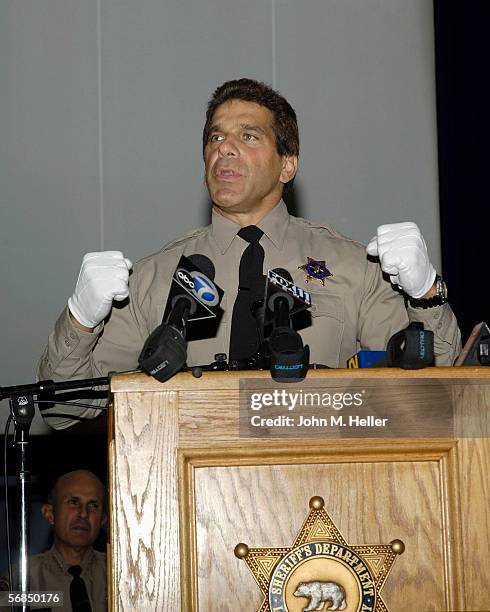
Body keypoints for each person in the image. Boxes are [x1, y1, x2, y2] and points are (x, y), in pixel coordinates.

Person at [38, 78, 461, 429]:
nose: (225, 147)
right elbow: (62, 410)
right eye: (215, 136)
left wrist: (425, 292)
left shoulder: (353, 267)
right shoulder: (156, 276)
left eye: (249, 135)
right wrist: (80, 318)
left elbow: (438, 397)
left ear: (287, 165)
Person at [0, 470, 107, 611]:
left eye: (93, 505)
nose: (83, 514)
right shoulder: (23, 580)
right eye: (74, 502)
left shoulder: (117, 574)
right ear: (49, 514)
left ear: (104, 518)